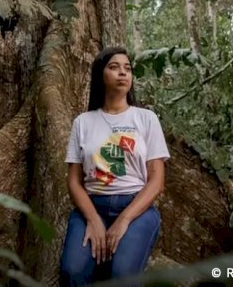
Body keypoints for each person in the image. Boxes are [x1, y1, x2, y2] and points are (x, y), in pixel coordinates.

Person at [59, 46, 171, 287]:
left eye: (127, 69)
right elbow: (74, 182)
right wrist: (93, 219)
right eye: (114, 67)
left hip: (136, 208)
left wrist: (124, 220)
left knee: (122, 275)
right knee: (72, 272)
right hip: (91, 207)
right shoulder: (83, 122)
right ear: (101, 75)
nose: (123, 73)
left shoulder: (146, 119)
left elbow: (157, 180)